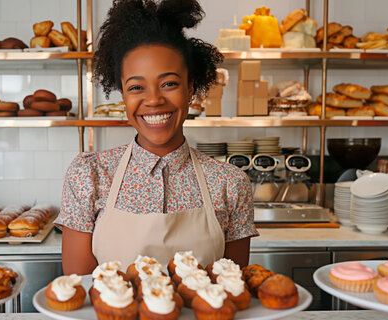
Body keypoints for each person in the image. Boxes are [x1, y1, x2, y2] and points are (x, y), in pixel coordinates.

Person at [55, 0, 258, 275]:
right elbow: (80, 289)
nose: (153, 99)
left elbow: (233, 290)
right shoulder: (89, 174)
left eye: (169, 84)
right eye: (136, 87)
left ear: (190, 88)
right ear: (123, 96)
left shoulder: (230, 183)